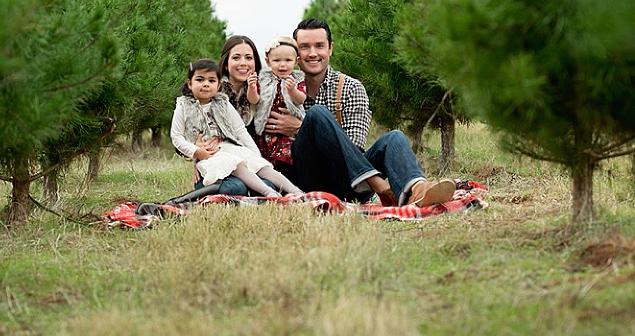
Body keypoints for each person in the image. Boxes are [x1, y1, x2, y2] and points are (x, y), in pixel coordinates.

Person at [265, 18, 456, 207]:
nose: (313, 53)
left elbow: (355, 146)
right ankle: (378, 184)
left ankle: (417, 191)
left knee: (394, 137)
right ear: (296, 54)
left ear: (330, 48)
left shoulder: (350, 88)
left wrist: (301, 127)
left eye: (319, 46)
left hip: (349, 182)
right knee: (316, 113)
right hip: (305, 178)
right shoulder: (276, 90)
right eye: (305, 47)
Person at [170, 58, 302, 198]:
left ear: (218, 84)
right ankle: (268, 193)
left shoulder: (222, 103)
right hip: (208, 156)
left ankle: (295, 191)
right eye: (200, 80)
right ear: (189, 84)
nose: (206, 84)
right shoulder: (183, 106)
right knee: (235, 163)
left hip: (226, 147)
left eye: (211, 81)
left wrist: (254, 154)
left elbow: (240, 130)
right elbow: (176, 137)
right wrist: (196, 152)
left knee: (257, 163)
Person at [251, 36, 306, 168]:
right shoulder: (263, 79)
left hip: (286, 133)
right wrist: (252, 89)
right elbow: (254, 100)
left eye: (288, 60)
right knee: (265, 161)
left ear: (296, 61)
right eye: (276, 60)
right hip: (266, 130)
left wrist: (292, 90)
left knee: (286, 160)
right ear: (268, 62)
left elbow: (301, 99)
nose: (282, 65)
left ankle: (287, 179)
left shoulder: (296, 79)